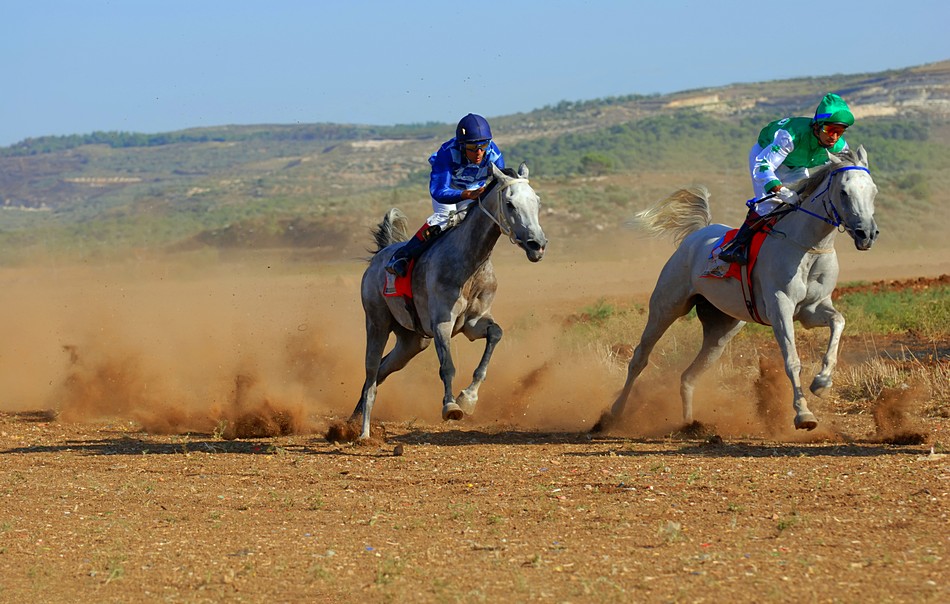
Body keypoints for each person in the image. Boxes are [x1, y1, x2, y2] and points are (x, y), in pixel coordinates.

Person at [718, 93, 854, 265]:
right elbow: (763, 167)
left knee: (802, 205)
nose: (834, 137)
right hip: (765, 158)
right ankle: (735, 246)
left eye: (839, 132)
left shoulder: (840, 147)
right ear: (817, 126)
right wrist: (780, 190)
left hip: (796, 166)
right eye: (829, 130)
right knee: (769, 205)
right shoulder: (790, 135)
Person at [385, 113, 505, 277]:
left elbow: (500, 182)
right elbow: (439, 192)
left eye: (483, 146)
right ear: (462, 146)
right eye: (471, 148)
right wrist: (465, 194)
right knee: (445, 218)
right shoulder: (447, 154)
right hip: (449, 189)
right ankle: (401, 256)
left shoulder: (494, 155)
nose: (478, 152)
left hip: (474, 189)